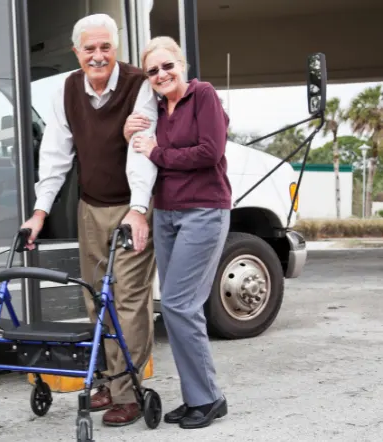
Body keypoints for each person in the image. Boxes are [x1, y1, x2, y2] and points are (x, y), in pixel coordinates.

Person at [20, 13, 159, 427]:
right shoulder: (67, 90)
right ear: (76, 52)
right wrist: (40, 212)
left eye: (106, 47)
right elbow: (56, 155)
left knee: (130, 298)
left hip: (133, 204)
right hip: (91, 206)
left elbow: (140, 151)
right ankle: (109, 380)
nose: (98, 57)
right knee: (96, 297)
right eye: (90, 49)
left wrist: (138, 209)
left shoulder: (138, 85)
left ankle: (128, 392)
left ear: (115, 49)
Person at [130, 36, 230, 429]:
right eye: (153, 70)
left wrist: (158, 154)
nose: (161, 74)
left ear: (181, 64)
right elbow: (136, 145)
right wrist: (131, 132)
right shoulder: (154, 108)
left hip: (203, 211)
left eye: (167, 65)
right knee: (173, 308)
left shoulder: (202, 95)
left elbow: (211, 151)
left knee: (179, 304)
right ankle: (196, 397)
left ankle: (208, 398)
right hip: (166, 213)